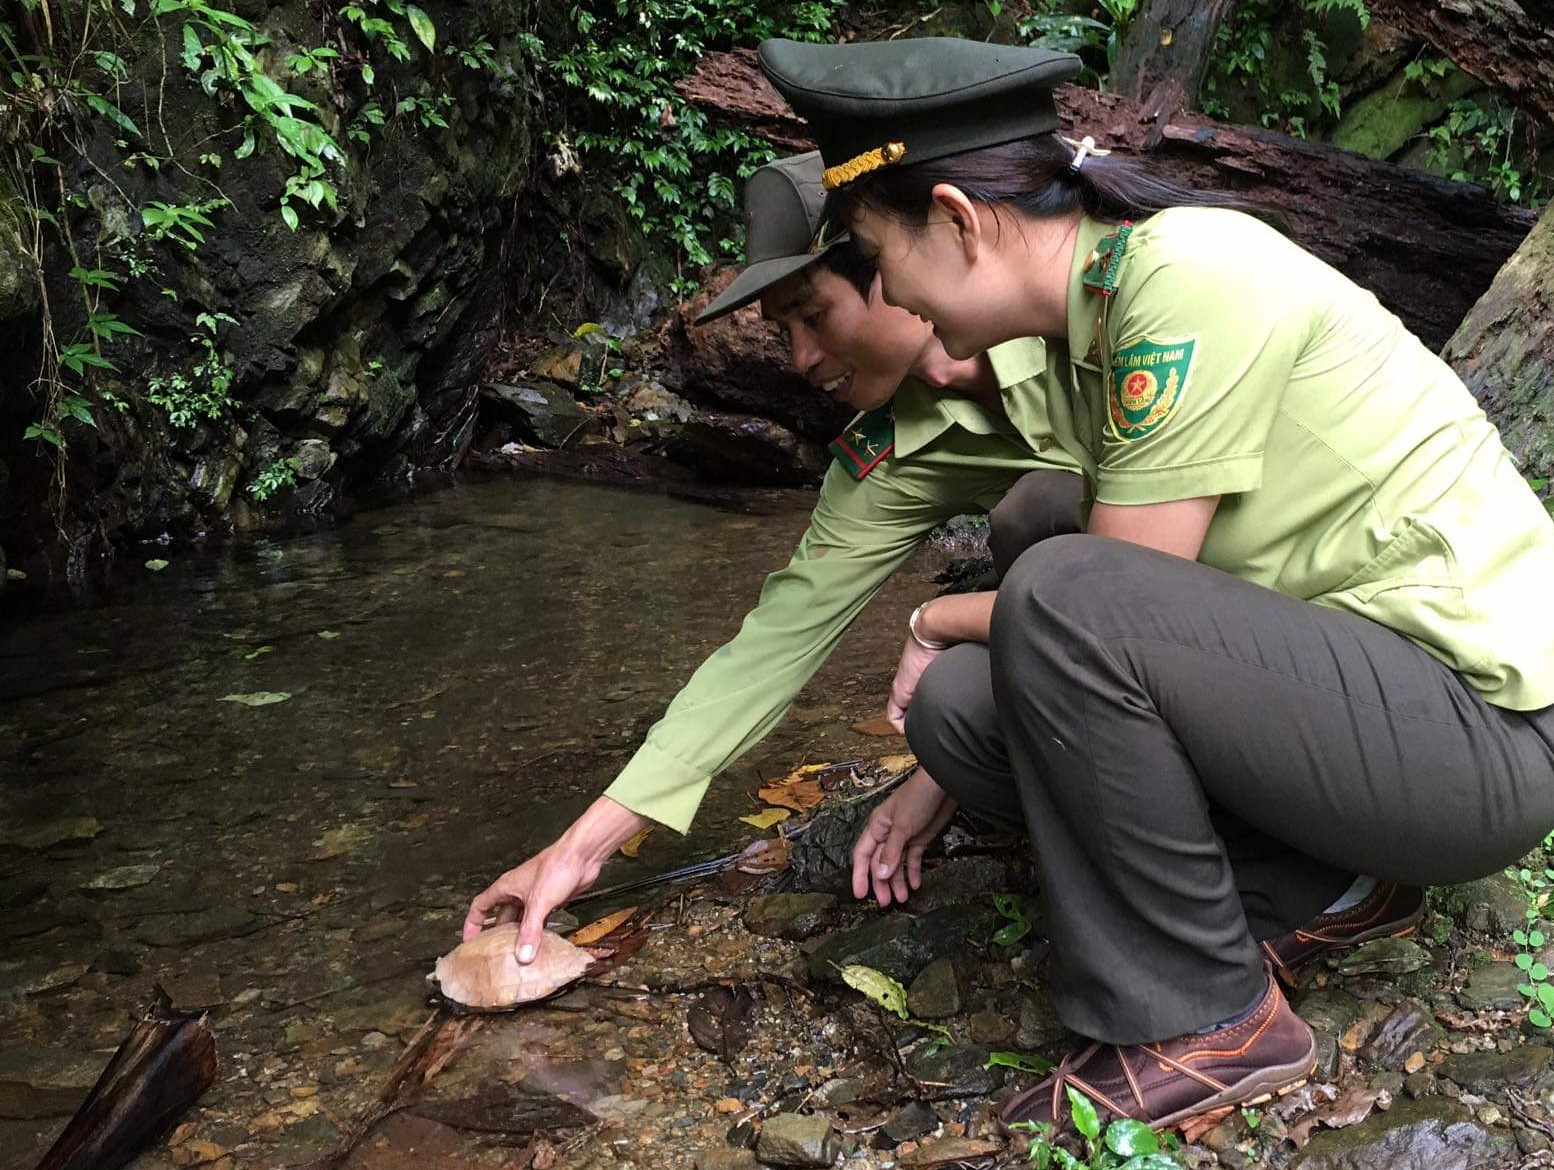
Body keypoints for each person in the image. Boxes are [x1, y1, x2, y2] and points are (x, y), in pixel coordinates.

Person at [759, 35, 1554, 1133]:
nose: (884, 292)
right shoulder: (1091, 316)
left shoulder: (1185, 273)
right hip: (1374, 713)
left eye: (872, 254)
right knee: (967, 699)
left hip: (1483, 738)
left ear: (958, 217)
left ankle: (1210, 1017)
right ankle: (1322, 883)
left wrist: (935, 612)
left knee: (1065, 587)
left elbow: (1107, 597)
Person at [461, 151, 1084, 960]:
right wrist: (581, 848)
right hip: (1110, 628)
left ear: (900, 270)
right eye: (784, 332)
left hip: (1247, 600)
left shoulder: (1077, 308)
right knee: (951, 707)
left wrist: (942, 622)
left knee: (1035, 515)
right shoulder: (886, 456)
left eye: (814, 316)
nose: (799, 362)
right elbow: (772, 645)